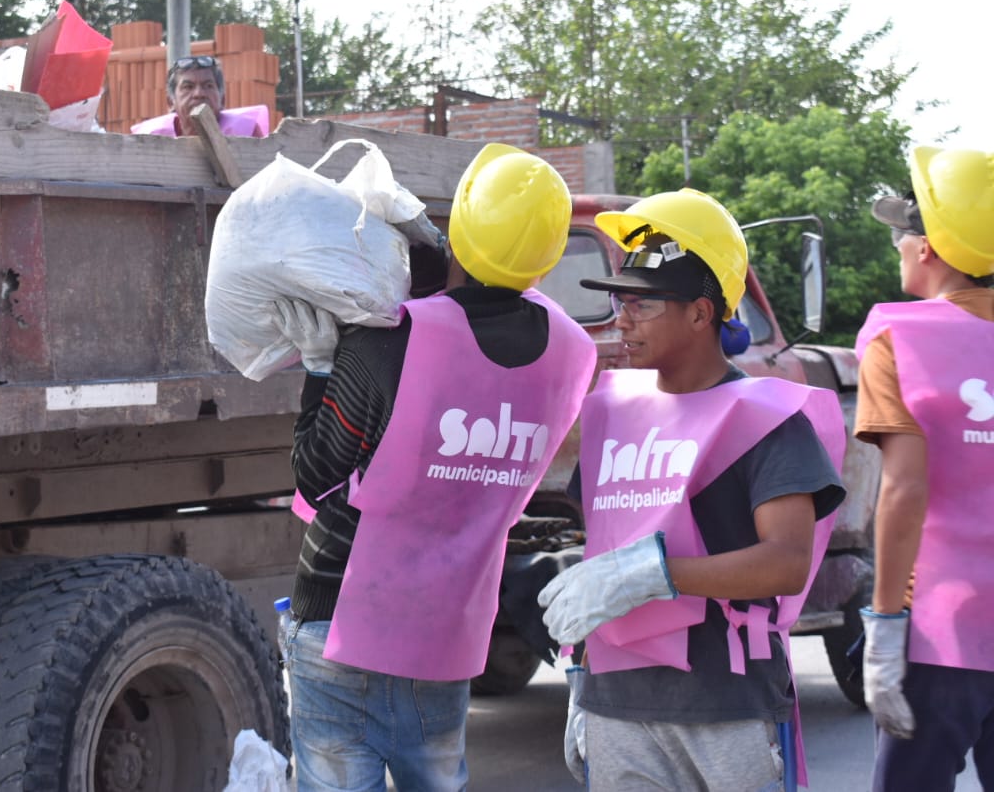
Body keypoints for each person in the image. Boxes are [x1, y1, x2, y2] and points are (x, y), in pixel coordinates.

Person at [271, 143, 598, 791]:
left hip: (340, 612)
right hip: (447, 629)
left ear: (459, 231)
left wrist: (317, 369)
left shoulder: (392, 337)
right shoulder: (572, 351)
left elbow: (315, 473)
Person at [537, 188, 847, 791]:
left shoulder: (767, 419)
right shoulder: (611, 413)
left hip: (726, 709)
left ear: (702, 314)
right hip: (616, 707)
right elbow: (602, 556)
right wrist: (582, 676)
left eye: (643, 304)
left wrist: (656, 574)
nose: (621, 318)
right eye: (619, 301)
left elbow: (786, 563)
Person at [853, 146, 994, 791]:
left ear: (929, 248)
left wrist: (884, 626)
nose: (898, 248)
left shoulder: (899, 337)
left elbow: (904, 488)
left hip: (942, 635)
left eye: (900, 235)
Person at [129, 54, 269, 137]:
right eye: (188, 87)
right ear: (170, 102)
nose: (199, 94)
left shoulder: (248, 133)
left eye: (208, 86)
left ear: (222, 100)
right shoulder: (149, 138)